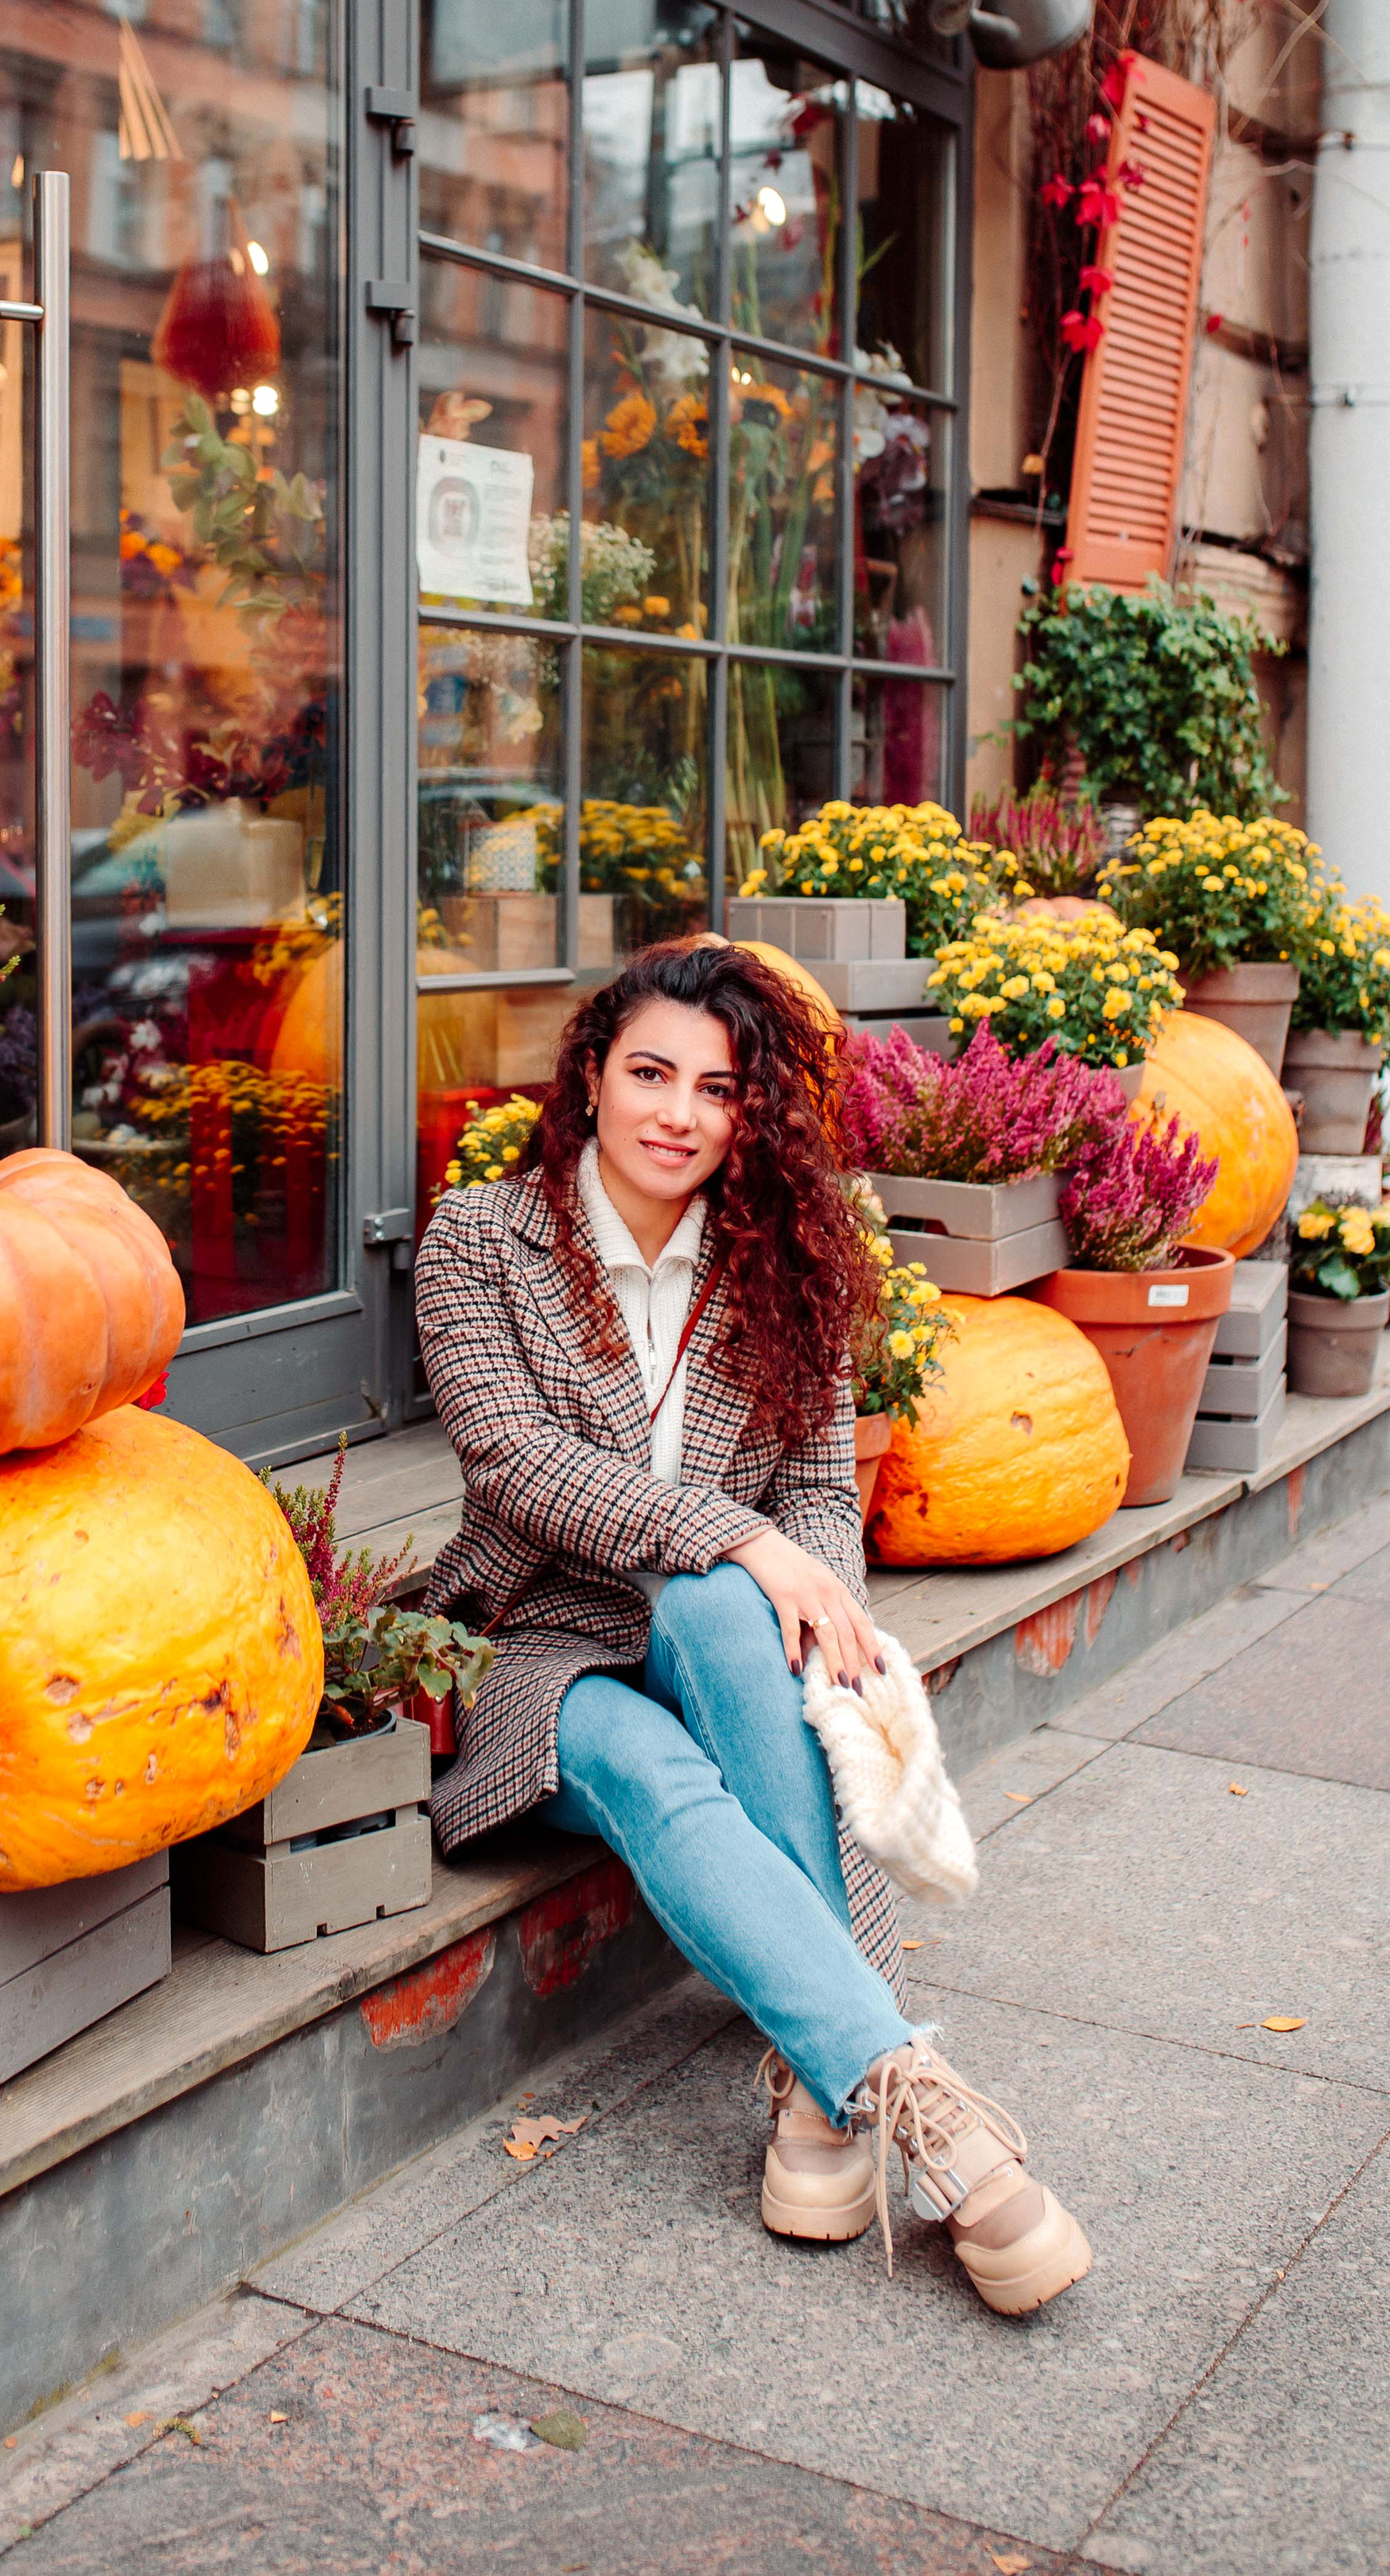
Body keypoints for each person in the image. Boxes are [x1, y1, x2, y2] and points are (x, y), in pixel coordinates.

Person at [413, 937, 1091, 2318]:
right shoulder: (481, 1240)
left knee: (732, 1614)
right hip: (531, 1641)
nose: (678, 1114)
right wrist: (743, 1535)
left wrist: (806, 1594)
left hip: (711, 1640)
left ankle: (822, 2092)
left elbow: (824, 1497)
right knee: (674, 1720)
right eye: (650, 1073)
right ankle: (924, 2105)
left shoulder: (784, 1259)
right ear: (592, 1076)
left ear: (750, 1113)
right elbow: (510, 1459)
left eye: (717, 1090)